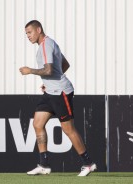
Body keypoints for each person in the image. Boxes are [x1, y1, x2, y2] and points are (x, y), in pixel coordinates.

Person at [19, 20, 96, 176]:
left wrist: (30, 71)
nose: (28, 36)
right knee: (37, 124)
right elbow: (64, 65)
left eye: (29, 32)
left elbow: (48, 70)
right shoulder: (46, 45)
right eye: (26, 33)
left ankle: (88, 163)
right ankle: (44, 165)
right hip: (51, 92)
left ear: (38, 30)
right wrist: (49, 82)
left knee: (68, 129)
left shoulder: (46, 44)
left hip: (61, 93)